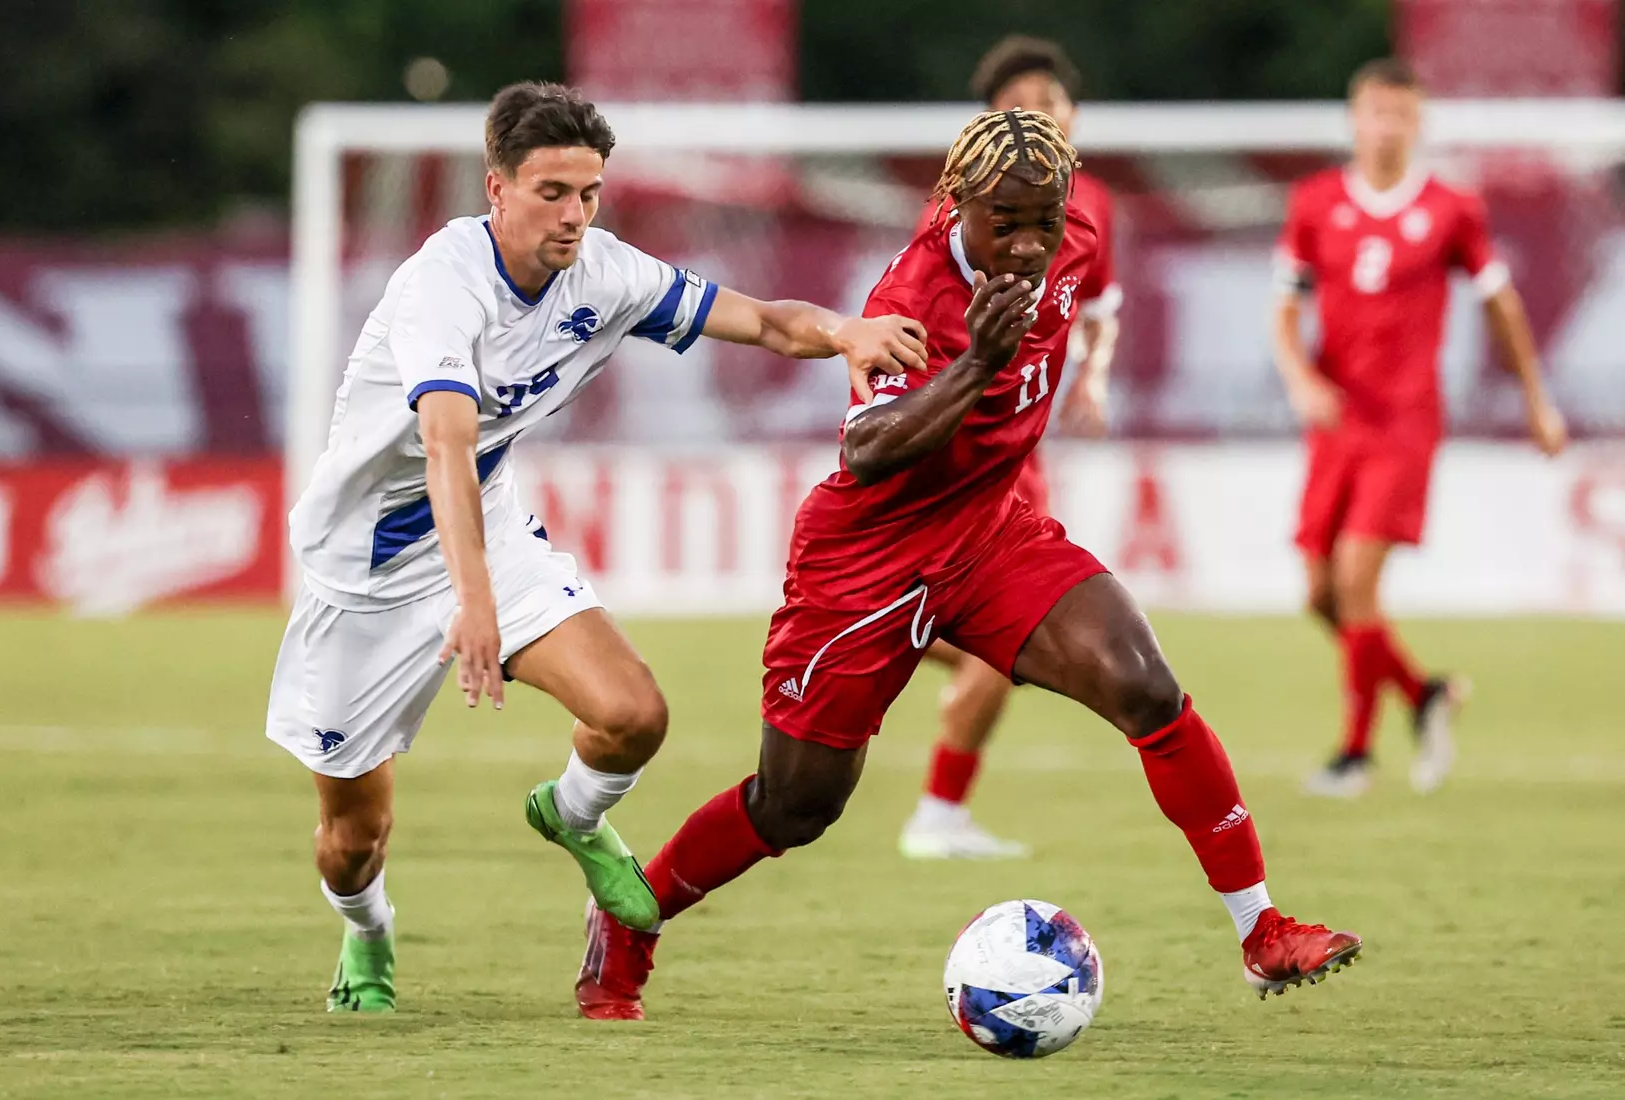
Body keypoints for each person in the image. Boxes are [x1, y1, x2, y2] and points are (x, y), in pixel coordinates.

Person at [575, 108, 1362, 1021]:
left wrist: (1094, 362)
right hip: (867, 559)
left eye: (1044, 217)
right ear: (957, 206)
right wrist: (978, 366)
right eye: (1007, 221)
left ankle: (1260, 932)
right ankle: (631, 916)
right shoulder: (912, 297)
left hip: (989, 530)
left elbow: (1090, 289)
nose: (1029, 243)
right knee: (797, 806)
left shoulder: (1075, 237)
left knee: (1144, 684)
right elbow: (869, 450)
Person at [264, 81, 926, 1012]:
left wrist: (845, 330)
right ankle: (368, 933)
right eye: (551, 193)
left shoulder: (605, 275)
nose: (574, 215)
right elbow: (445, 443)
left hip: (485, 531)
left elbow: (769, 322)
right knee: (351, 836)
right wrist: (474, 601)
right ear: (495, 190)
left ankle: (571, 817)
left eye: (589, 193)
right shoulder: (438, 287)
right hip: (361, 576)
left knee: (633, 715)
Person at [1272, 59, 1567, 799]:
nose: (1386, 127)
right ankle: (1422, 692)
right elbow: (1283, 309)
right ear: (1354, 117)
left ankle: (1355, 754)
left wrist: (1537, 399)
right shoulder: (1314, 203)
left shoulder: (1451, 209)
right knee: (1318, 593)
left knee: (1355, 579)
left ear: (1418, 123)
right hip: (1335, 422)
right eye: (1376, 112)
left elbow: (1501, 305)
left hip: (1404, 422)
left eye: (1401, 114)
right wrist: (1301, 379)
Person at [901, 34, 1123, 861]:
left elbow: (1103, 306)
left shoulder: (1091, 204)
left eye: (1055, 106)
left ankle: (940, 809)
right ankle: (938, 805)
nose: (1045, 118)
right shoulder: (958, 211)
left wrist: (1094, 377)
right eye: (1024, 107)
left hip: (1017, 455)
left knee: (1005, 638)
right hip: (953, 451)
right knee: (1001, 635)